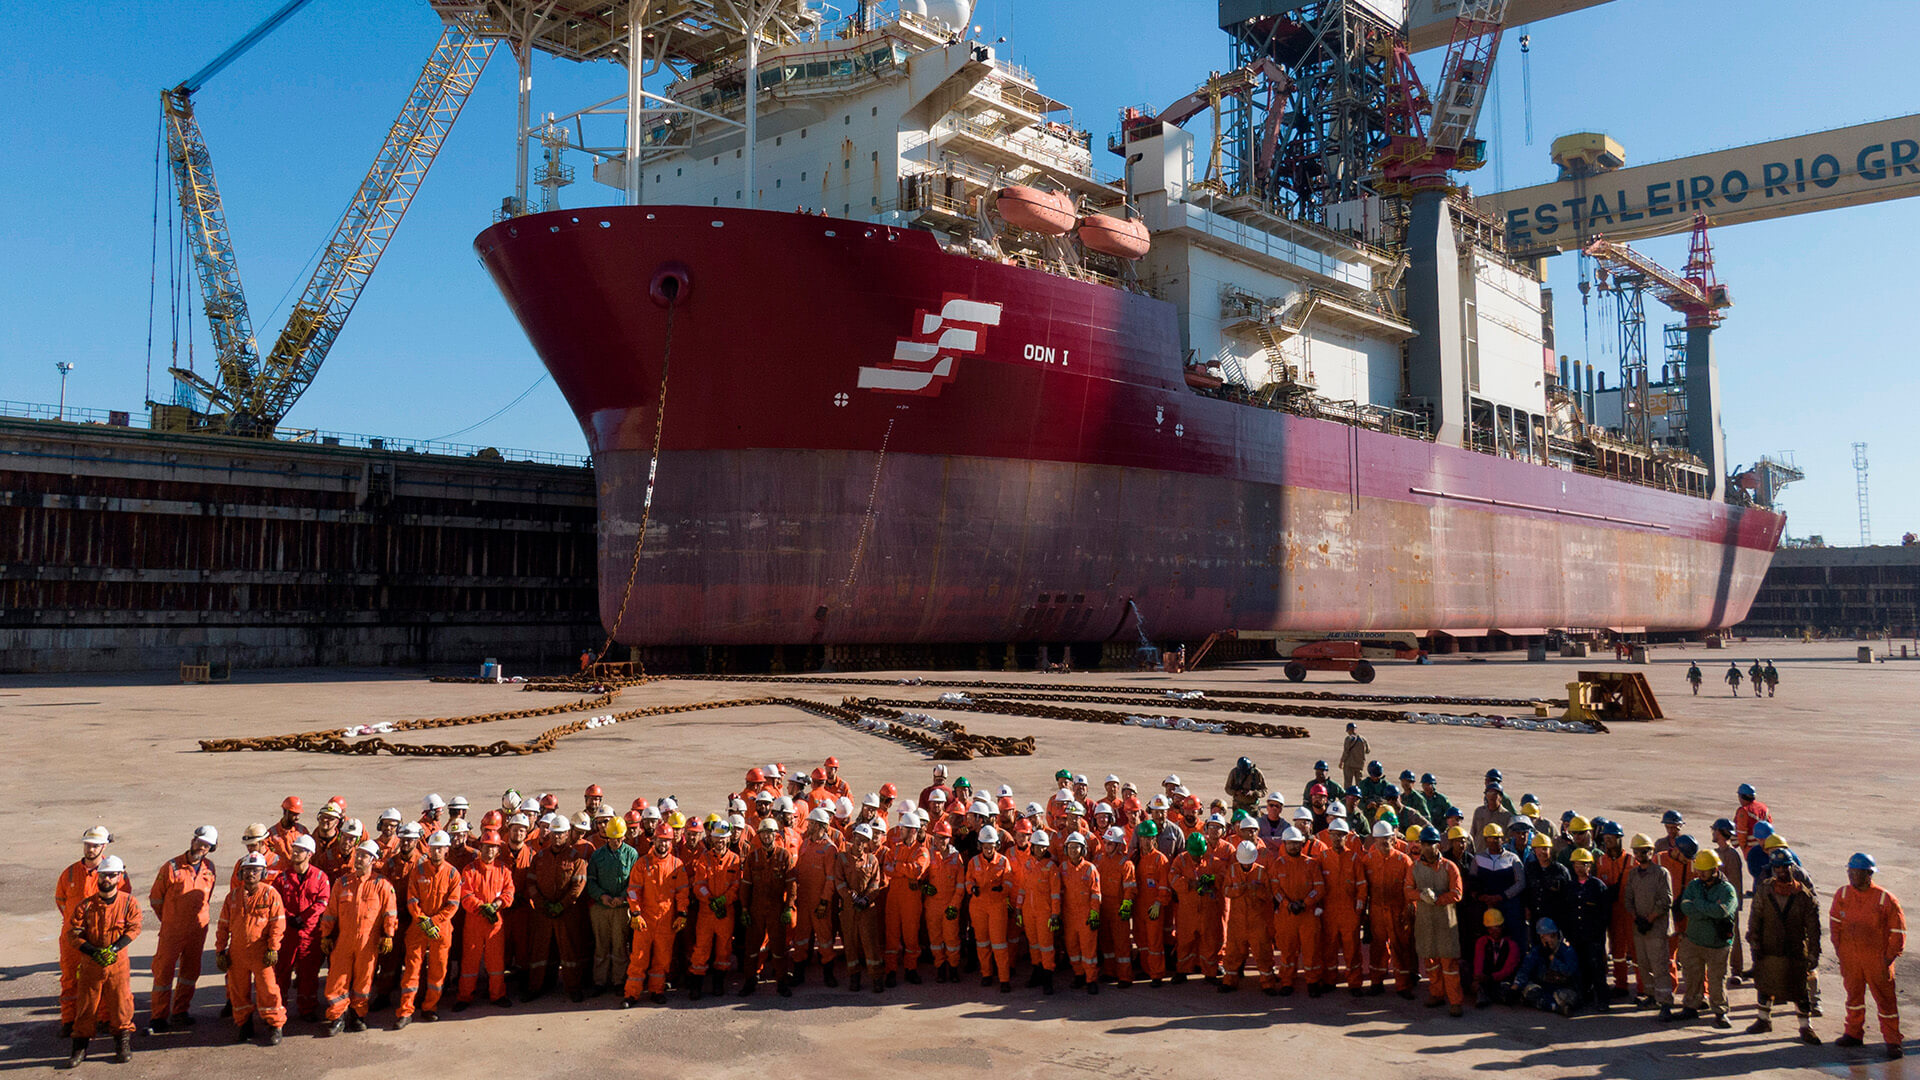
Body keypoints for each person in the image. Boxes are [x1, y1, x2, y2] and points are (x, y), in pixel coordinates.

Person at [66, 854, 141, 1066]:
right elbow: (73, 933)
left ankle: (122, 1044)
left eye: (111, 875)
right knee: (86, 1007)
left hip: (117, 963)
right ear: (98, 877)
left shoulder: (129, 903)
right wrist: (92, 951)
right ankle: (79, 1049)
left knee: (121, 1005)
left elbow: (134, 928)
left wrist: (114, 948)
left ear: (119, 877)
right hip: (91, 964)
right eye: (103, 875)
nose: (106, 879)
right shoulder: (86, 906)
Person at [1831, 852, 1905, 1060]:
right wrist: (1841, 951)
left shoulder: (1885, 899)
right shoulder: (1842, 895)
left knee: (1886, 1001)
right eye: (1850, 871)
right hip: (1851, 958)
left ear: (1869, 874)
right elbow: (1835, 924)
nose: (1852, 876)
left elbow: (1898, 933)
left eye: (1857, 872)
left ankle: (1892, 1041)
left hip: (1877, 960)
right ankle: (1853, 1033)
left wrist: (1887, 959)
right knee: (1853, 997)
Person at [146, 826, 218, 1034]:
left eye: (206, 845)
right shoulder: (171, 867)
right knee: (163, 971)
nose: (201, 847)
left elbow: (207, 897)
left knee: (190, 972)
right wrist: (169, 919)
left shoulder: (210, 868)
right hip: (172, 931)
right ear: (193, 840)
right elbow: (156, 898)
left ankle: (180, 1011)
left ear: (210, 848)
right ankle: (158, 1016)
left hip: (198, 929)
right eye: (199, 842)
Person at [320, 841, 397, 1034]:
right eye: (358, 855)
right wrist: (326, 935)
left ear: (372, 860)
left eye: (364, 856)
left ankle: (357, 1015)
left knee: (364, 980)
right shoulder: (342, 883)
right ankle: (337, 1016)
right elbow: (330, 912)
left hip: (368, 942)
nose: (359, 859)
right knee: (337, 978)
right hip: (344, 939)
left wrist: (388, 934)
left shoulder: (382, 885)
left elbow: (390, 912)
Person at [1747, 849, 1821, 1044]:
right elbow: (1756, 916)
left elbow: (1814, 928)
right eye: (1776, 867)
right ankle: (1763, 1020)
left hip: (1795, 948)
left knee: (1799, 989)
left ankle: (1806, 1027)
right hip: (1768, 945)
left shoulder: (1804, 896)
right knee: (1765, 983)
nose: (1780, 870)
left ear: (1791, 867)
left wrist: (1814, 954)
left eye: (1783, 866)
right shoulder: (1764, 889)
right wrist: (1754, 940)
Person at [216, 852, 287, 1045]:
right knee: (238, 990)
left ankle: (275, 1025)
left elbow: (277, 923)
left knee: (268, 989)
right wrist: (221, 950)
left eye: (255, 870)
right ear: (240, 873)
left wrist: (273, 948)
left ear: (263, 872)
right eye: (246, 870)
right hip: (237, 953)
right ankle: (244, 1024)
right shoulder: (233, 897)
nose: (250, 874)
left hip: (261, 952)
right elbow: (223, 925)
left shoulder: (270, 894)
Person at [395, 829, 462, 1027]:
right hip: (418, 927)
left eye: (440, 848)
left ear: (446, 850)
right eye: (433, 848)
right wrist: (423, 920)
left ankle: (430, 1007)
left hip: (441, 929)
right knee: (412, 969)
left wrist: (435, 921)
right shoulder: (419, 870)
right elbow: (412, 898)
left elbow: (453, 904)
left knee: (437, 970)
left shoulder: (452, 873)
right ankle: (405, 1011)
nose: (436, 852)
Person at [56, 825, 112, 1038]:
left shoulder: (111, 872)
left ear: (104, 846)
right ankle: (69, 1020)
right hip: (72, 937)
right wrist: (74, 924)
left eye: (95, 846)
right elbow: (61, 900)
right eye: (88, 845)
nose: (90, 849)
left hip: (99, 936)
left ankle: (104, 1017)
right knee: (70, 978)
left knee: (102, 977)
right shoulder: (70, 872)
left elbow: (121, 901)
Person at [1673, 850, 1738, 1028]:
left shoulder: (1727, 890)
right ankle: (1691, 1006)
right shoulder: (1694, 885)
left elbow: (1722, 911)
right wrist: (1708, 909)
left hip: (1718, 945)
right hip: (1694, 941)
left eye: (1705, 870)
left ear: (1715, 869)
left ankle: (1720, 1011)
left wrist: (1698, 905)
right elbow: (1686, 907)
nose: (1700, 873)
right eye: (1698, 870)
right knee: (1692, 977)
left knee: (1717, 980)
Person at [271, 833, 332, 1022]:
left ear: (309, 854)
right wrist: (290, 918)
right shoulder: (282, 878)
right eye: (295, 849)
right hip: (287, 932)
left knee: (308, 973)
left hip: (310, 932)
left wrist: (303, 917)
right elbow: (276, 901)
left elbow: (323, 901)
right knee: (282, 972)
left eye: (300, 851)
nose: (295, 853)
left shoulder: (320, 877)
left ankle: (307, 1009)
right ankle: (279, 1010)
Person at [525, 818, 588, 1002]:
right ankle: (536, 987)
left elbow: (578, 886)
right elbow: (531, 881)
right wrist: (541, 903)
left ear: (567, 834)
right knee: (540, 950)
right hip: (543, 912)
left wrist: (562, 904)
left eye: (561, 833)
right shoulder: (540, 857)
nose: (557, 837)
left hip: (566, 913)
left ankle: (573, 987)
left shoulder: (576, 858)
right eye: (554, 833)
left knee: (569, 951)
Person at [1408, 826, 1465, 1016]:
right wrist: (1420, 895)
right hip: (1425, 921)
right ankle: (1436, 994)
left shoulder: (1450, 867)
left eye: (1430, 844)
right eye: (1423, 844)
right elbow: (1407, 890)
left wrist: (1438, 899)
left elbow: (1457, 893)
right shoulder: (1414, 868)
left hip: (1446, 922)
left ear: (1438, 845)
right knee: (1430, 960)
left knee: (1449, 963)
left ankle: (1455, 1001)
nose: (1426, 848)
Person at [456, 829, 515, 1010]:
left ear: (498, 850)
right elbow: (465, 895)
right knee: (470, 960)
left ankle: (497, 995)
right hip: (475, 921)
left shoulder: (503, 870)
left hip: (494, 922)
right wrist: (482, 908)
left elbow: (509, 892)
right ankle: (465, 997)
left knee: (496, 961)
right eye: (487, 847)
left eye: (493, 848)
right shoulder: (470, 869)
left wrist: (496, 905)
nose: (490, 851)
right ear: (480, 847)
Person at [1622, 833, 1676, 1018]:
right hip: (1640, 928)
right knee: (1643, 964)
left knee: (1660, 966)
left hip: (1657, 928)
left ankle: (1666, 1002)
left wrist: (1651, 918)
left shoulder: (1661, 873)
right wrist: (1637, 917)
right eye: (1637, 851)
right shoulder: (1633, 874)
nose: (1640, 854)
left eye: (1644, 851)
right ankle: (1651, 996)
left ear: (1651, 852)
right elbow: (1628, 898)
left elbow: (1666, 899)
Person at [741, 818, 798, 996]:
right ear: (759, 835)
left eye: (770, 833)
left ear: (775, 835)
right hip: (756, 908)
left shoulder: (784, 855)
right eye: (764, 833)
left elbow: (791, 885)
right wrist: (744, 909)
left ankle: (781, 982)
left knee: (779, 948)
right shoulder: (753, 857)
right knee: (751, 947)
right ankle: (750, 981)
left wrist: (789, 907)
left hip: (776, 908)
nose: (767, 836)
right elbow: (746, 885)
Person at [691, 820, 744, 998]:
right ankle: (696, 985)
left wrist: (724, 901)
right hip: (706, 912)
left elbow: (736, 886)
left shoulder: (735, 860)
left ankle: (718, 983)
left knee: (724, 949)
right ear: (711, 839)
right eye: (716, 839)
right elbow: (699, 884)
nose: (719, 842)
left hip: (725, 912)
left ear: (728, 840)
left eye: (723, 839)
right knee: (701, 949)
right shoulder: (703, 859)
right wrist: (711, 900)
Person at [586, 817, 638, 996]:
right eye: (612, 838)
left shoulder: (632, 854)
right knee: (601, 945)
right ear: (606, 837)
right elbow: (590, 880)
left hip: (621, 908)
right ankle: (599, 982)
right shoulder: (597, 855)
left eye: (618, 838)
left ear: (624, 837)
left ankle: (618, 980)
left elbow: (635, 881)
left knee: (619, 945)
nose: (615, 842)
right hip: (601, 907)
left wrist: (623, 897)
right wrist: (601, 896)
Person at [835, 823, 886, 993]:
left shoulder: (872, 860)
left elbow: (876, 883)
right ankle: (854, 977)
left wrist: (866, 899)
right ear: (853, 837)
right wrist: (851, 896)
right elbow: (839, 881)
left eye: (864, 841)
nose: (860, 843)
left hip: (867, 909)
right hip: (849, 908)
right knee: (850, 943)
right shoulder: (842, 858)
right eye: (858, 839)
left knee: (870, 943)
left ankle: (877, 977)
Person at [1059, 832, 1103, 995]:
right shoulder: (1062, 868)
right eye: (1070, 847)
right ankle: (1079, 975)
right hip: (1069, 916)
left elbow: (1096, 893)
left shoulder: (1090, 869)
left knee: (1088, 951)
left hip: (1086, 916)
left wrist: (1094, 914)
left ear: (1083, 849)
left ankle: (1091, 979)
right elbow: (1058, 892)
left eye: (1076, 847)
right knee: (1072, 948)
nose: (1073, 850)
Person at [1513, 918, 1582, 1016]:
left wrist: (1552, 959)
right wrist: (1515, 986)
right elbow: (1525, 969)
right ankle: (1555, 1007)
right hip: (1545, 988)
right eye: (1543, 937)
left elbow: (1570, 971)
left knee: (1566, 997)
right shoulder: (1537, 951)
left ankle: (1553, 1005)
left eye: (1551, 936)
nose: (1549, 941)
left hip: (1564, 988)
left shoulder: (1567, 951)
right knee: (1529, 990)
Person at [1471, 909, 1520, 1007]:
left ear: (1502, 927)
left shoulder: (1512, 945)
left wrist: (1490, 977)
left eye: (1497, 927)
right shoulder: (1482, 942)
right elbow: (1478, 962)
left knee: (1506, 989)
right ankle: (1482, 992)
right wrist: (1477, 978)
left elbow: (1508, 969)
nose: (1494, 932)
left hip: (1501, 979)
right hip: (1486, 977)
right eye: (1490, 929)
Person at [1339, 723, 1370, 791]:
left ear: (1349, 730)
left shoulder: (1348, 739)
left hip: (1349, 765)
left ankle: (1347, 797)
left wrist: (1341, 762)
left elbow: (1346, 752)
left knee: (1348, 783)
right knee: (1359, 783)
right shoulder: (1363, 739)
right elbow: (1368, 751)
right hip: (1359, 765)